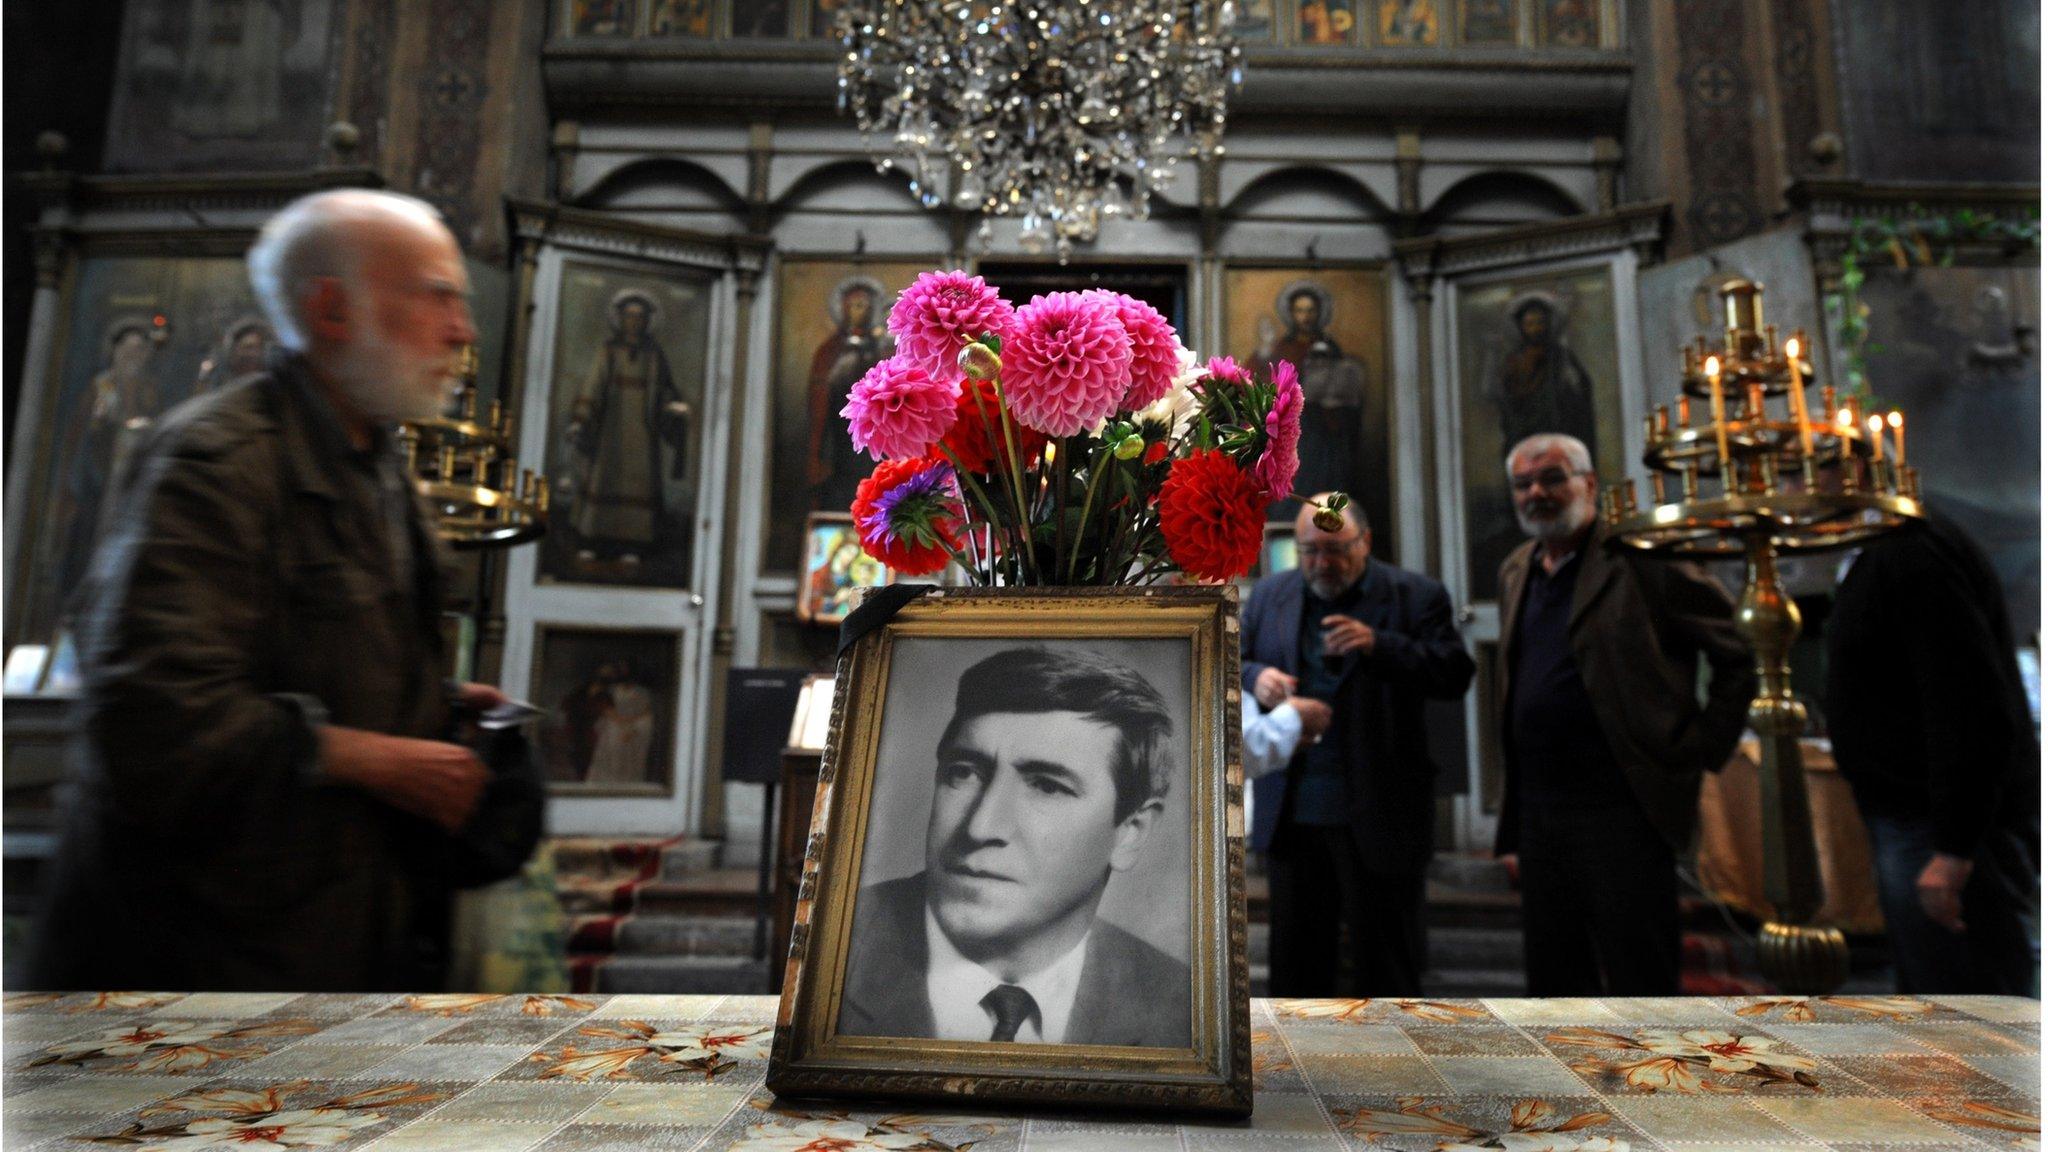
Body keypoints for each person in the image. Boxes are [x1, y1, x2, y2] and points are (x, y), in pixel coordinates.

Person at [28, 188, 534, 992]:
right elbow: (156, 722)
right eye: (437, 295)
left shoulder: (374, 464)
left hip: (321, 943)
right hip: (189, 978)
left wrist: (433, 702)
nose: (462, 330)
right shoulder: (215, 463)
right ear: (333, 311)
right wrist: (375, 758)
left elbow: (304, 653)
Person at [1492, 433, 1754, 995]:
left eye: (1552, 478)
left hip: (1624, 805)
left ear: (1589, 484)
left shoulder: (1641, 555)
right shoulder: (1519, 568)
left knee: (1641, 978)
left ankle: (1650, 1083)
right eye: (1523, 483)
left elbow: (1737, 647)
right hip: (1541, 809)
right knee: (1555, 984)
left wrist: (1704, 743)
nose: (1536, 492)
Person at [840, 647, 1191, 1047]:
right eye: (964, 773)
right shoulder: (832, 955)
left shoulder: (1180, 1009)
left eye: (1047, 786)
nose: (980, 826)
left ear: (1131, 832)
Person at [1241, 497, 1476, 996]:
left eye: (1335, 550)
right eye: (1308, 551)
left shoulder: (1416, 596)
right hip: (1295, 814)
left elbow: (1455, 672)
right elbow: (1231, 662)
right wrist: (1257, 676)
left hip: (1382, 811)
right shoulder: (1270, 595)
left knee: (1387, 971)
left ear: (1364, 542)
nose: (1321, 563)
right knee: (1296, 970)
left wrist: (1379, 645)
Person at [1825, 507, 2040, 995]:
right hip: (1918, 820)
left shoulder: (1912, 551)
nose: (1792, 490)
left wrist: (1953, 851)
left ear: (1855, 467)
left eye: (1799, 472)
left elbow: (1970, 706)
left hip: (1939, 828)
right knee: (1932, 1005)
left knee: (1973, 1019)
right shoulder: (1887, 549)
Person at [567, 290, 691, 567]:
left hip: (641, 433)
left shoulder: (654, 354)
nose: (634, 322)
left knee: (639, 484)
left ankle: (633, 545)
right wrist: (581, 419)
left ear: (647, 321)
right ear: (620, 319)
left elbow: (665, 390)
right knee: (603, 478)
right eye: (629, 316)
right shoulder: (608, 351)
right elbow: (593, 386)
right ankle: (594, 543)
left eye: (639, 317)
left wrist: (673, 407)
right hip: (610, 429)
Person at [806, 278, 893, 513]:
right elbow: (819, 397)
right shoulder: (830, 350)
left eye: (863, 305)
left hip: (876, 433)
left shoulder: (881, 347)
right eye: (853, 305)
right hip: (839, 436)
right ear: (843, 308)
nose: (858, 311)